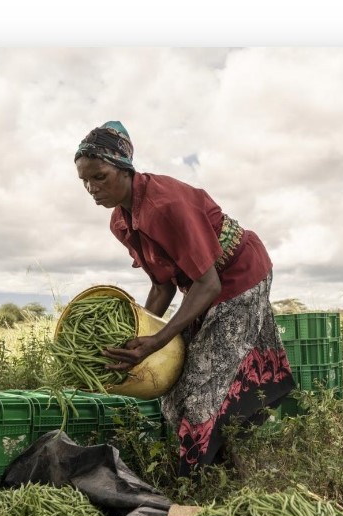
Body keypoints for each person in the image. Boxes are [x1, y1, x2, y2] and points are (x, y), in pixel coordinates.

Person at [74, 120, 295, 477]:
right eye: (84, 180)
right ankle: (221, 462)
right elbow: (162, 286)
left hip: (237, 273)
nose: (91, 188)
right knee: (174, 391)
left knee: (200, 388)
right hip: (200, 284)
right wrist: (135, 336)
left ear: (125, 169)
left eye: (99, 176)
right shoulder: (121, 221)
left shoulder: (165, 204)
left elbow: (208, 285)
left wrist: (157, 341)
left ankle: (197, 480)